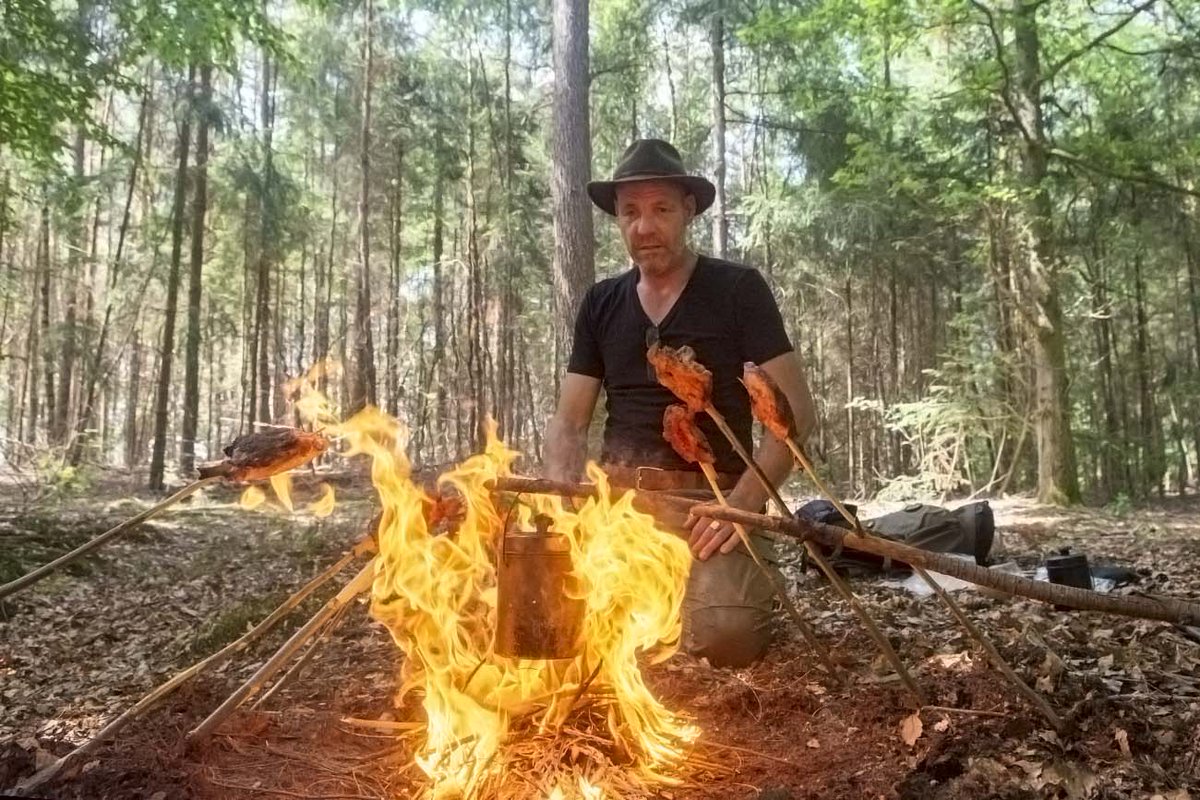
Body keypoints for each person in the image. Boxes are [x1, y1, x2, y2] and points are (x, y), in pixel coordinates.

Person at [543, 138, 817, 667]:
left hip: (712, 499)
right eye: (630, 212)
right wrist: (563, 504)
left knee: (727, 635)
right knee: (557, 618)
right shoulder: (602, 303)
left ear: (688, 211)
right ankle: (658, 616)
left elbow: (796, 415)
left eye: (661, 209)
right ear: (618, 219)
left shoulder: (738, 289)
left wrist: (742, 504)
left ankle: (707, 598)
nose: (644, 227)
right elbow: (568, 422)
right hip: (621, 502)